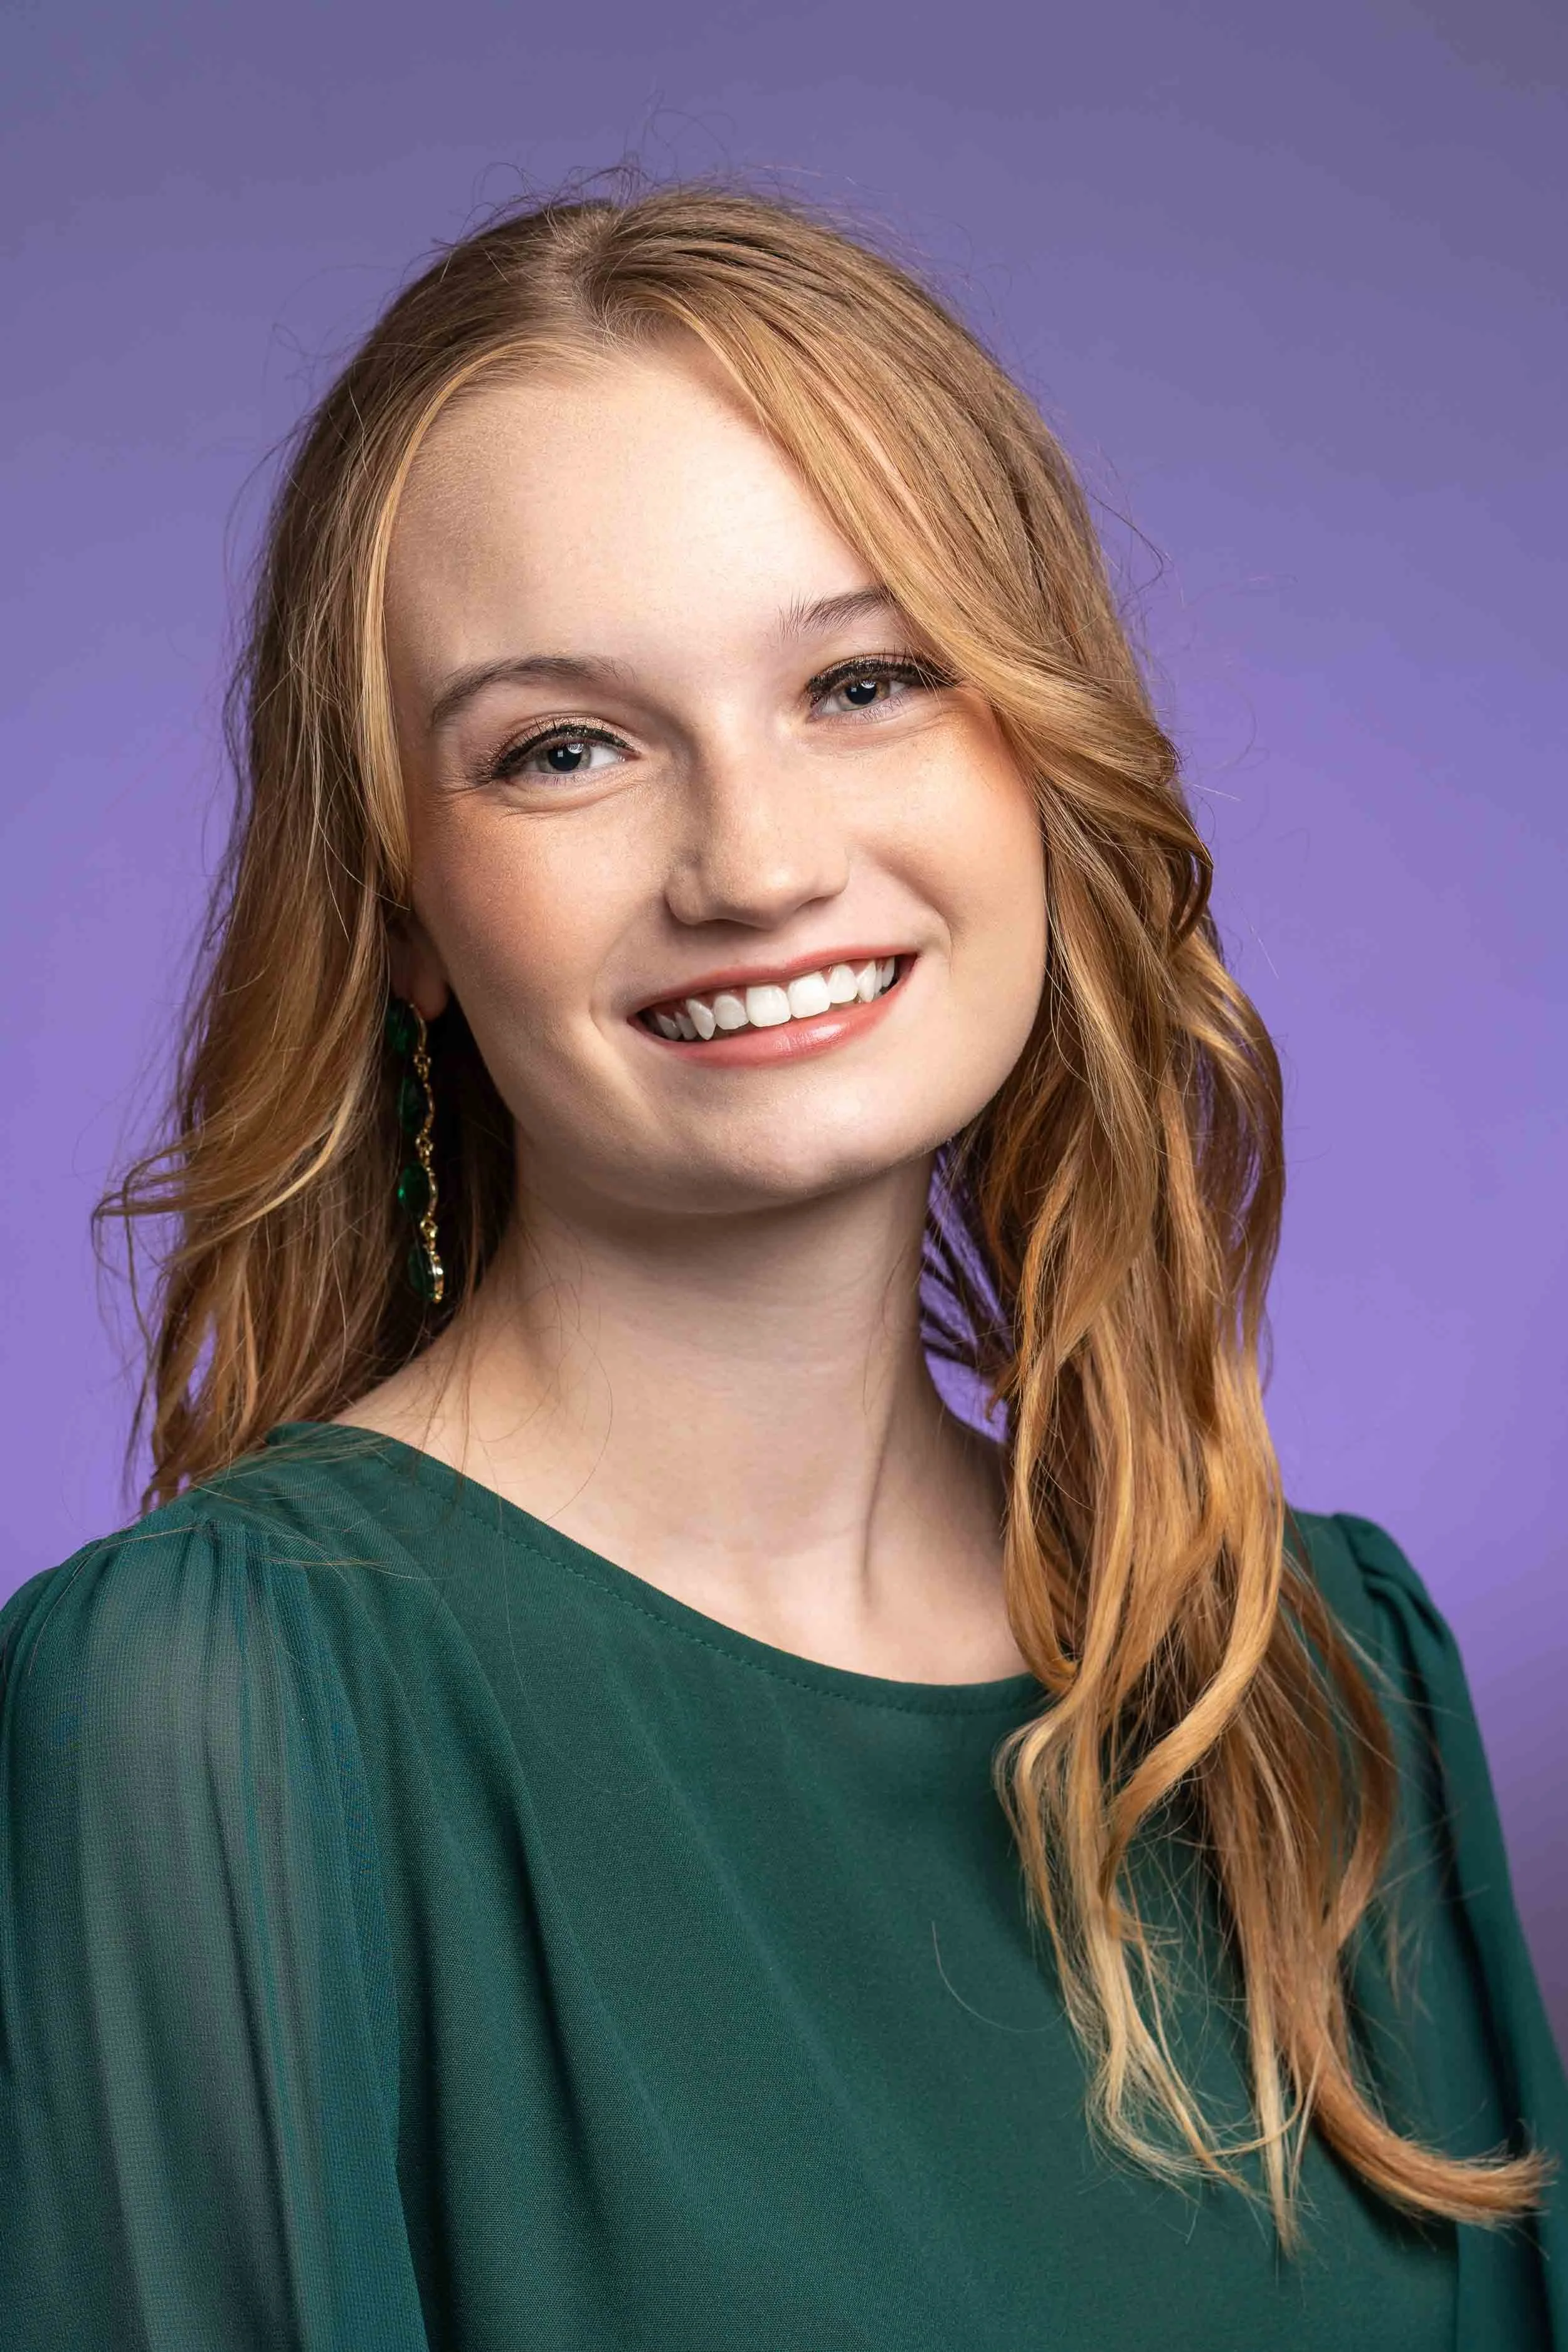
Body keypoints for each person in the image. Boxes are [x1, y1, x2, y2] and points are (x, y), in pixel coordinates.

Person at [1, 181, 1562, 2351]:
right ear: (394, 910)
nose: (754, 858)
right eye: (565, 745)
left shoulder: (1320, 1678)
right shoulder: (227, 1705)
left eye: (863, 678)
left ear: (1039, 753)